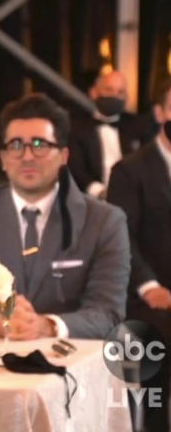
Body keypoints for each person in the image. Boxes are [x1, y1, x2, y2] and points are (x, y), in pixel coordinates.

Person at [0, 93, 130, 339]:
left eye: (40, 144)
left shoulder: (105, 221)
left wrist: (46, 326)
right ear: (3, 158)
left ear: (63, 156)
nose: (27, 156)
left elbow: (108, 314)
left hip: (69, 364)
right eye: (16, 145)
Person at [107, 78, 171, 432]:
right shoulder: (130, 171)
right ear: (160, 114)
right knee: (152, 346)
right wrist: (149, 286)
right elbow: (122, 236)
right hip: (147, 295)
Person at [68, 70, 148, 199]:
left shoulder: (138, 126)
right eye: (109, 90)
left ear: (126, 98)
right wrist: (101, 192)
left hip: (134, 198)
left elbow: (148, 164)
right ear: (94, 93)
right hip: (93, 201)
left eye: (120, 92)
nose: (114, 96)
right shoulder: (77, 129)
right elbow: (76, 169)